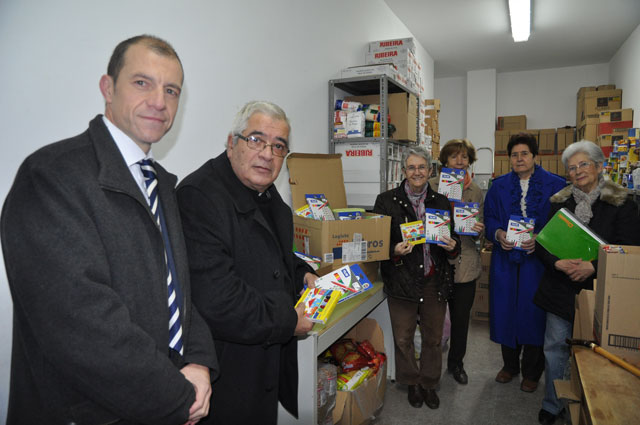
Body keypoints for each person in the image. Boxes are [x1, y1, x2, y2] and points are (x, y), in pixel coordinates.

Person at [1, 35, 218, 425]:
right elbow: (83, 328)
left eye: (171, 90)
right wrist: (177, 397)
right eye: (142, 82)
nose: (159, 101)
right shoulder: (51, 176)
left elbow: (180, 294)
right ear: (107, 88)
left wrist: (199, 362)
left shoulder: (162, 185)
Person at [176, 101, 318, 425]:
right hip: (224, 372)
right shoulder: (199, 197)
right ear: (232, 143)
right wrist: (287, 321)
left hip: (263, 363)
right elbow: (217, 298)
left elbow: (276, 256)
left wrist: (302, 275)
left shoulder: (271, 199)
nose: (267, 153)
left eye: (278, 146)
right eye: (256, 139)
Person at [533, 140, 640, 424]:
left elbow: (629, 248)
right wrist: (556, 262)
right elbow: (542, 243)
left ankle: (589, 408)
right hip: (560, 288)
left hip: (601, 292)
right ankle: (553, 404)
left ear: (599, 166)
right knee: (555, 348)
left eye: (583, 164)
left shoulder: (622, 202)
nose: (578, 171)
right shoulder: (559, 202)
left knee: (594, 355)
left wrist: (592, 267)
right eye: (571, 167)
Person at [373, 146, 460, 410]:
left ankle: (429, 384)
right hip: (401, 279)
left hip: (434, 278)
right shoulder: (386, 201)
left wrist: (451, 246)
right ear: (403, 171)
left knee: (434, 338)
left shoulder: (442, 202)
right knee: (403, 338)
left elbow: (453, 243)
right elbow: (378, 243)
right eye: (411, 167)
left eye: (422, 167)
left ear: (430, 171)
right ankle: (412, 382)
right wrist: (393, 251)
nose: (417, 172)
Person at [484, 132, 566, 393]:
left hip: (537, 263)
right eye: (514, 155)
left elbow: (562, 222)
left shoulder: (556, 185)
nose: (519, 159)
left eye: (524, 154)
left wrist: (541, 238)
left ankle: (532, 371)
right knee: (505, 311)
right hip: (505, 260)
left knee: (535, 315)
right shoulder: (498, 186)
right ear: (509, 159)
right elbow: (489, 219)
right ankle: (509, 366)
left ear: (534, 156)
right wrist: (497, 235)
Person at [428, 139, 484, 385]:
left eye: (464, 157)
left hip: (465, 262)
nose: (459, 161)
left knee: (461, 320)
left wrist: (479, 228)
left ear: (469, 161)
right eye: (454, 157)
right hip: (435, 262)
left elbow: (482, 228)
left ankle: (456, 364)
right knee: (433, 319)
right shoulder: (430, 186)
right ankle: (430, 368)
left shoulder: (476, 190)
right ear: (445, 161)